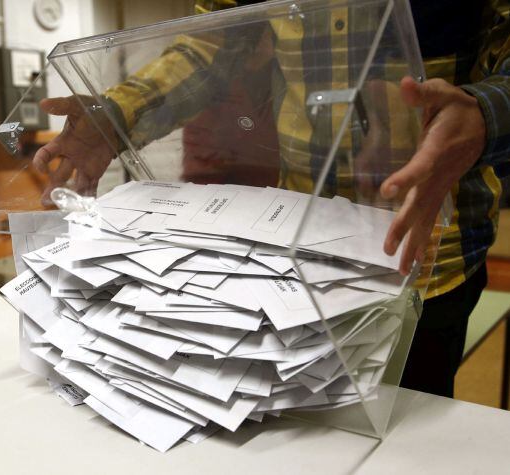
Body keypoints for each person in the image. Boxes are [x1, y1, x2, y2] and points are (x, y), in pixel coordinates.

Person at [31, 0, 510, 398]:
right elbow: (215, 46)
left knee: (416, 441)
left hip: (427, 243)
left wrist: (487, 113)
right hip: (295, 247)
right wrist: (117, 113)